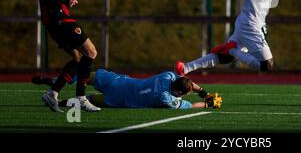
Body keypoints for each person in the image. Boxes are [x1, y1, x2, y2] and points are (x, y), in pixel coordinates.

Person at [32, 0, 100, 113]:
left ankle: (52, 93)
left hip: (55, 19)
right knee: (91, 52)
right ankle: (81, 98)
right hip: (58, 18)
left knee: (78, 58)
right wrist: (64, 0)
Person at [32, 70, 222, 109]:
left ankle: (54, 82)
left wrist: (202, 90)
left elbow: (185, 81)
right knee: (86, 100)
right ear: (179, 93)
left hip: (119, 82)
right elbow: (191, 105)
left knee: (83, 77)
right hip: (118, 100)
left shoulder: (167, 76)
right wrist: (206, 103)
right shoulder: (166, 100)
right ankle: (59, 103)